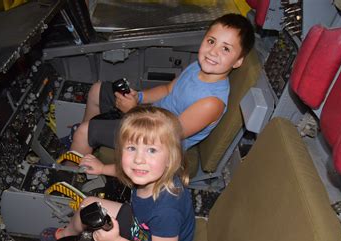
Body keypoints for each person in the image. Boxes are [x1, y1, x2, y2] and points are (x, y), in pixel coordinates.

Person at [69, 13, 255, 175]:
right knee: (97, 90)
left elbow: (167, 134)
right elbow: (167, 90)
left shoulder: (211, 102)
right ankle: (87, 148)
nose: (213, 52)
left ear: (238, 61)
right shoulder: (197, 67)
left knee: (84, 132)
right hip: (153, 116)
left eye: (226, 49)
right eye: (211, 41)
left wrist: (133, 111)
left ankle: (68, 175)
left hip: (159, 143)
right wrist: (139, 97)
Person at [41, 107, 195, 241]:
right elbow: (126, 170)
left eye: (152, 150)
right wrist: (102, 168)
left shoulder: (166, 211)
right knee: (88, 205)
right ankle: (64, 236)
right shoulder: (151, 172)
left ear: (170, 159)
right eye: (131, 148)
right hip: (141, 229)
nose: (139, 159)